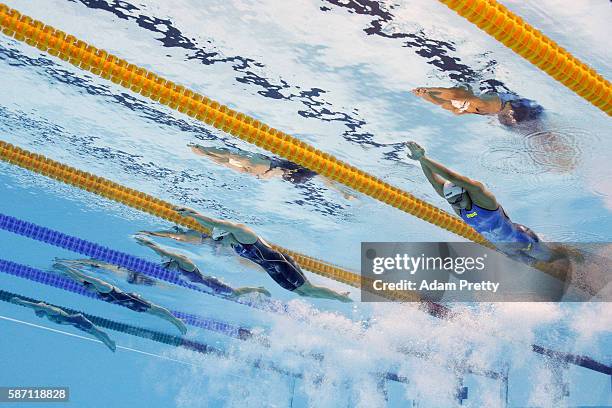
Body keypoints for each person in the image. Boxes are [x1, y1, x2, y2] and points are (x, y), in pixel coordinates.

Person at [405, 141, 566, 268]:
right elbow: (436, 184)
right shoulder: (456, 202)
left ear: (466, 192)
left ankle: (572, 257)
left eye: (459, 199)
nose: (456, 204)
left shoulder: (483, 199)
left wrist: (424, 158)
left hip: (524, 240)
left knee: (553, 259)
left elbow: (452, 177)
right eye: (451, 201)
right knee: (536, 268)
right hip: (506, 249)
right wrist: (420, 161)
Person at [174, 206, 352, 302]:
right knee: (302, 294)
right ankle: (336, 297)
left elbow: (214, 222)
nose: (221, 244)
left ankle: (339, 297)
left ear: (226, 234)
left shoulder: (243, 234)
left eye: (221, 240)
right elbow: (212, 230)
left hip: (281, 263)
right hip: (271, 270)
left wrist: (193, 215)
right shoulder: (235, 246)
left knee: (308, 289)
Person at [53, 261, 187, 335]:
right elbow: (79, 280)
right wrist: (67, 274)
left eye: (88, 287)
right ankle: (175, 322)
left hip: (132, 300)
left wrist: (64, 268)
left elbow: (83, 277)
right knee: (157, 314)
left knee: (159, 311)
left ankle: (177, 321)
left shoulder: (102, 286)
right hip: (130, 305)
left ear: (92, 285)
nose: (87, 289)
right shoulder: (96, 290)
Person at [189, 143, 357, 200]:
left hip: (267, 167)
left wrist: (343, 193)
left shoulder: (312, 169)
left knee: (231, 156)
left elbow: (278, 169)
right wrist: (343, 193)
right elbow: (330, 184)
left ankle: (203, 150)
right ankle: (203, 153)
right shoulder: (314, 173)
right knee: (228, 161)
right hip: (263, 173)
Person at [133, 235, 271, 298]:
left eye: (168, 265)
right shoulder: (178, 266)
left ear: (172, 260)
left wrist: (148, 243)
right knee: (232, 294)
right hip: (208, 285)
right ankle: (254, 293)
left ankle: (259, 289)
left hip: (210, 283)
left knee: (235, 293)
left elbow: (163, 252)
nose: (168, 268)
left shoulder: (185, 263)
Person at [11, 297, 116, 352]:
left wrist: (20, 301)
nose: (37, 314)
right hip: (74, 323)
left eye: (37, 311)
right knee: (94, 333)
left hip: (77, 319)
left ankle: (110, 342)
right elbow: (35, 307)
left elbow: (33, 305)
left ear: (40, 309)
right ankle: (108, 344)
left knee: (95, 331)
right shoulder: (47, 314)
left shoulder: (49, 310)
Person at [411, 86, 543, 126]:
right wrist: (425, 94)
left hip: (512, 106)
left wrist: (427, 90)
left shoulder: (479, 103)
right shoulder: (459, 109)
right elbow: (440, 102)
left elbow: (451, 94)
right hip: (504, 111)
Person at [55, 258, 161, 287]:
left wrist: (65, 261)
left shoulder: (101, 266)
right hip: (127, 276)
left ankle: (66, 268)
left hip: (126, 277)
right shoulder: (104, 266)